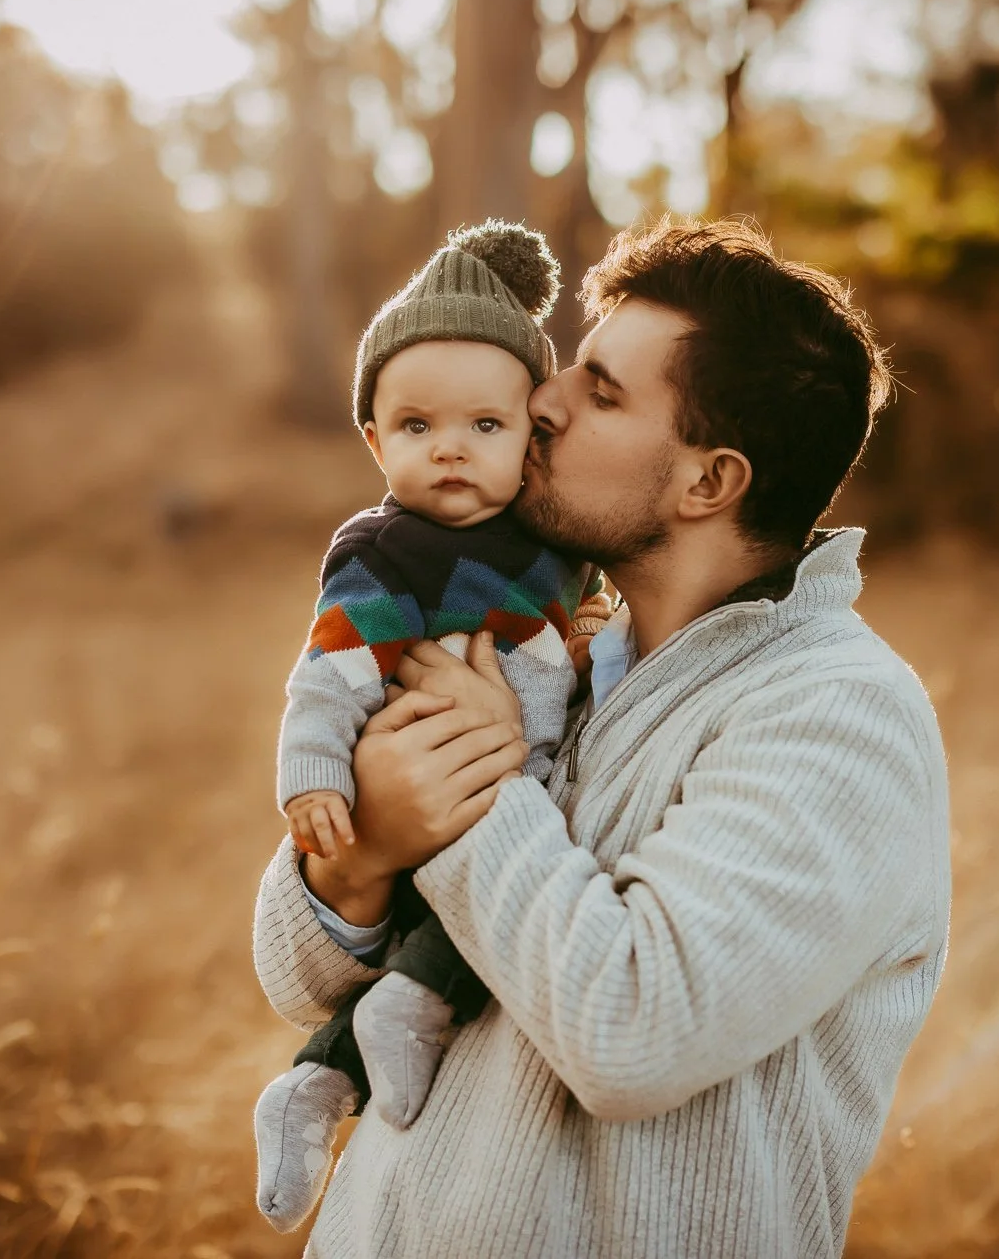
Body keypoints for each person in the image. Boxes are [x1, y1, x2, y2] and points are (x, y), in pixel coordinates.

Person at [253, 217, 951, 1258]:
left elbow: (634, 1030)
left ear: (708, 482)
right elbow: (296, 973)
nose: (542, 399)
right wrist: (362, 855)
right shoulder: (549, 640)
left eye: (601, 390)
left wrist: (478, 793)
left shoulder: (839, 714)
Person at [253, 221, 603, 1231]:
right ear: (373, 440)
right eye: (414, 426)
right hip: (418, 795)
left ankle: (314, 1086)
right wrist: (318, 773)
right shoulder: (386, 549)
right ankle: (381, 1027)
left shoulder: (551, 542)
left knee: (437, 945)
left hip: (500, 809)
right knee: (423, 937)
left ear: (529, 436)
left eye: (483, 426)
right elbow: (331, 665)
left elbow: (574, 638)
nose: (448, 446)